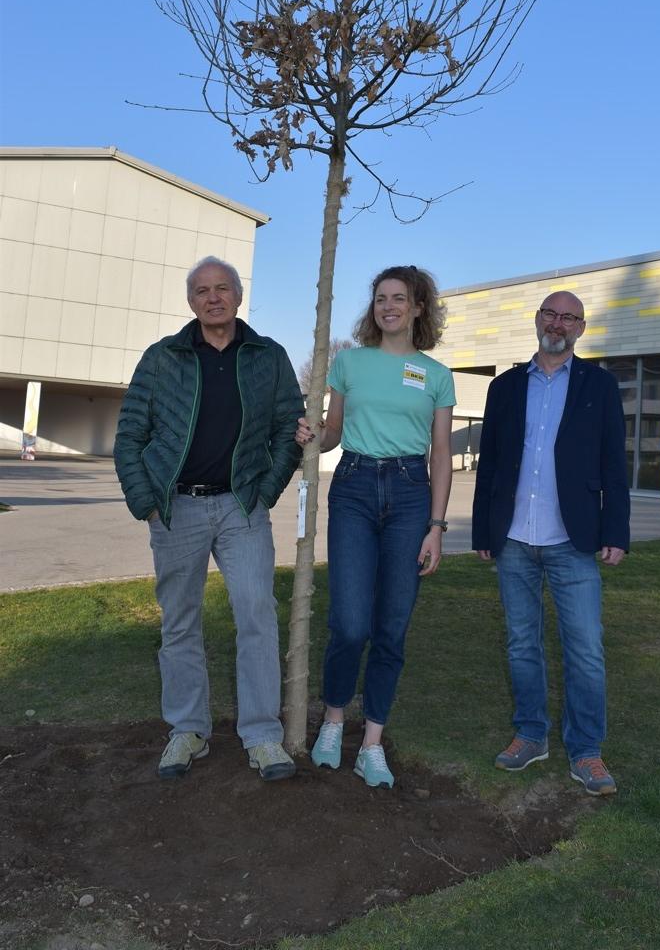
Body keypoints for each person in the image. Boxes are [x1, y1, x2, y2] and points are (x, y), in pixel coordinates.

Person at [114, 256, 303, 780]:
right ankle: (188, 730)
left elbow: (289, 428)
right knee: (179, 622)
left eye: (222, 288)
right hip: (176, 509)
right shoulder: (163, 358)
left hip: (242, 507)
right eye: (202, 290)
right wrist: (146, 501)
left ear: (239, 296)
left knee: (256, 614)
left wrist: (266, 491)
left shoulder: (268, 356)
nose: (213, 297)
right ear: (190, 301)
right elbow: (130, 435)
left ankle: (262, 736)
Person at [296, 266, 455, 789]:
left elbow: (440, 455)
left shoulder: (436, 375)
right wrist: (313, 434)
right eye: (381, 298)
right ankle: (333, 719)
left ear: (418, 308)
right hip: (355, 487)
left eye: (399, 298)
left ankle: (371, 744)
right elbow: (333, 433)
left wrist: (436, 526)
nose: (388, 306)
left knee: (391, 626)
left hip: (410, 496)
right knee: (349, 623)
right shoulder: (349, 362)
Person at [472, 291, 630, 797]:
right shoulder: (504, 387)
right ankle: (531, 734)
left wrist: (616, 531)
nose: (557, 323)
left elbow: (614, 463)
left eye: (568, 317)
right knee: (522, 643)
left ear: (580, 328)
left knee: (585, 649)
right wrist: (483, 530)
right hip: (514, 537)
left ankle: (586, 750)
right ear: (537, 319)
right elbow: (490, 463)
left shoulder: (600, 386)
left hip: (573, 539)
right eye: (550, 314)